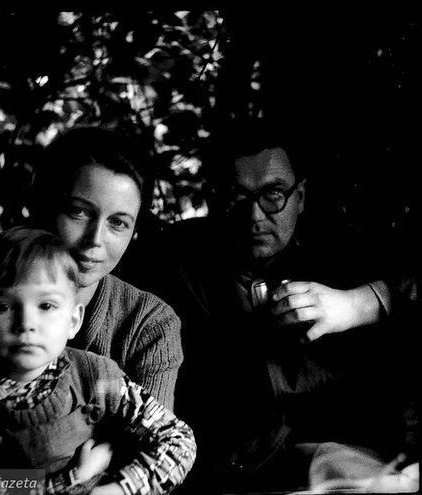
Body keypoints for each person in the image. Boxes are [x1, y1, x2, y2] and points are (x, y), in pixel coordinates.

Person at [120, 118, 416, 493]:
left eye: (273, 194)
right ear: (213, 196)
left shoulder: (342, 255)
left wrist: (358, 304)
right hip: (209, 475)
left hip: (340, 464)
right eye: (236, 196)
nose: (254, 216)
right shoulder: (169, 260)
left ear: (300, 196)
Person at [0, 126, 184, 485]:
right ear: (42, 204)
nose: (95, 240)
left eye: (118, 223)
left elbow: (156, 459)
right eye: (79, 212)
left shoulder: (148, 324)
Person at [0, 226, 196, 495]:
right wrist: (76, 477)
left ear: (74, 320)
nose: (26, 323)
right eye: (2, 306)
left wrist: (117, 490)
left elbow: (178, 441)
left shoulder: (97, 377)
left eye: (46, 306)